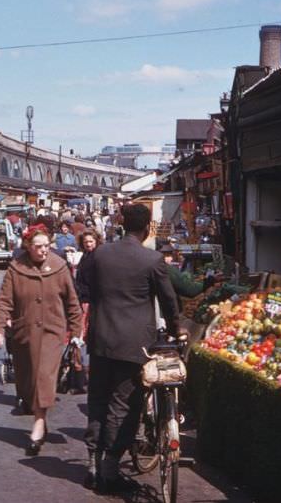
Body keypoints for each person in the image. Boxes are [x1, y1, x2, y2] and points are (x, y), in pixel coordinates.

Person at [82, 204, 182, 494]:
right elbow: (169, 302)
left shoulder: (100, 254)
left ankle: (92, 462)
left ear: (123, 225)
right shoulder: (152, 260)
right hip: (134, 344)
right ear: (148, 227)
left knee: (98, 400)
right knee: (123, 405)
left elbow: (86, 286)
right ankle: (110, 470)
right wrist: (177, 330)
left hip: (100, 339)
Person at [0, 225, 82, 456]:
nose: (43, 250)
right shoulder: (16, 268)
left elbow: (72, 302)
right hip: (25, 333)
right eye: (38, 246)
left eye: (46, 246)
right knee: (28, 381)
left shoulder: (60, 267)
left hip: (53, 332)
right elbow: (4, 301)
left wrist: (76, 332)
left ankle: (38, 425)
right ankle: (38, 413)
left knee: (44, 376)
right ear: (28, 247)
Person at [71, 228, 101, 394]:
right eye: (86, 243)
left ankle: (89, 373)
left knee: (90, 337)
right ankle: (79, 371)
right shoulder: (84, 258)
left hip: (93, 302)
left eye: (91, 242)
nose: (88, 245)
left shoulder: (98, 258)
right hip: (84, 301)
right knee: (79, 336)